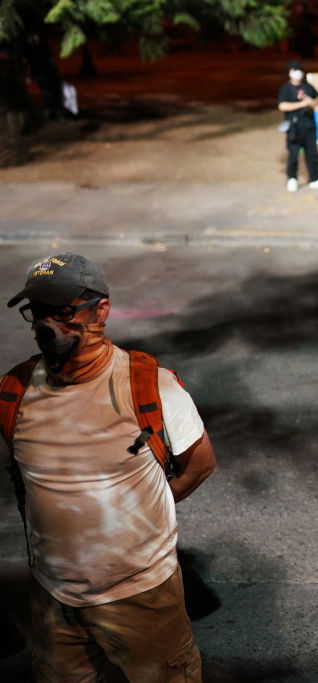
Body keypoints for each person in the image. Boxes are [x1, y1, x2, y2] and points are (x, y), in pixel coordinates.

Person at [1, 252, 216, 680]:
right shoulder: (15, 390)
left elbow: (199, 466)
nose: (46, 325)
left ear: (101, 310)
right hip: (54, 598)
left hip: (142, 595)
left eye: (63, 313)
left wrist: (142, 511)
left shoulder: (149, 385)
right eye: (38, 312)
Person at [277, 60, 318, 193]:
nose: (298, 73)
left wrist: (312, 103)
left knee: (313, 154)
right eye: (295, 70)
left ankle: (315, 178)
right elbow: (282, 106)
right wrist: (302, 104)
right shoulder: (286, 89)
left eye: (299, 70)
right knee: (293, 154)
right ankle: (292, 179)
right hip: (294, 127)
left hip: (309, 125)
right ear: (290, 73)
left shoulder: (307, 86)